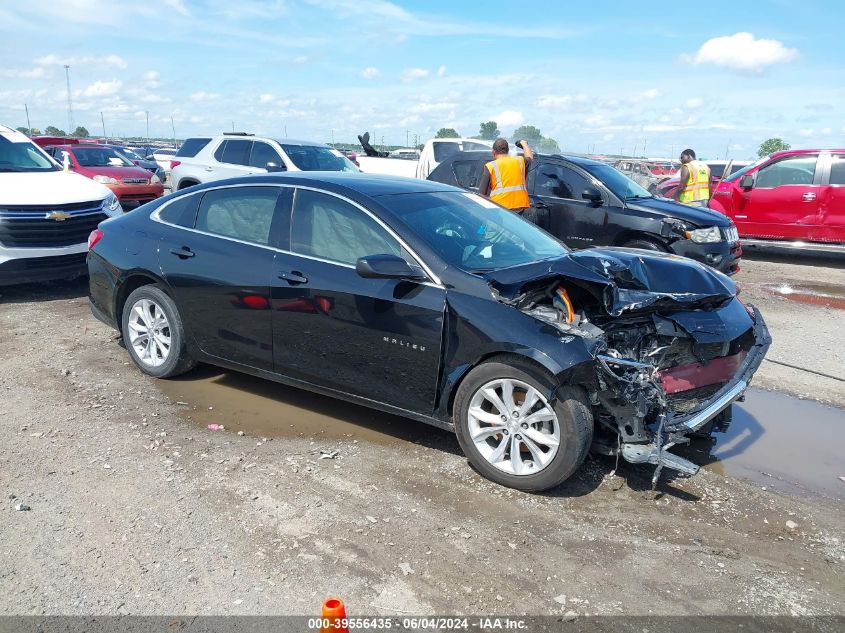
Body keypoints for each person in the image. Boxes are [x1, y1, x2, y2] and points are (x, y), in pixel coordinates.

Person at [478, 138, 533, 214]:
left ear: (494, 152)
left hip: (499, 208)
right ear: (508, 151)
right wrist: (524, 144)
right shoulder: (520, 161)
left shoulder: (490, 166)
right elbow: (530, 157)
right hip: (519, 207)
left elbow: (481, 194)